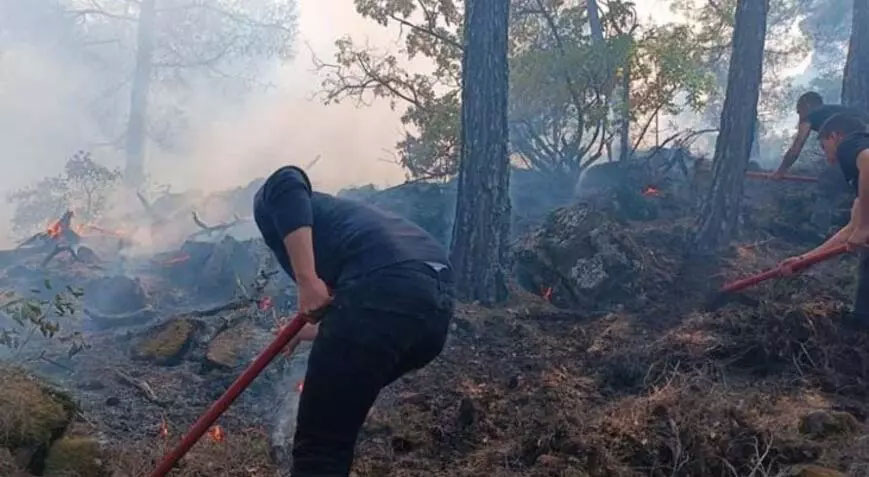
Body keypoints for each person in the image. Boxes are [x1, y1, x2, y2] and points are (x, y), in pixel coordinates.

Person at [253, 166, 454, 476]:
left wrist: (306, 281)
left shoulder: (273, 202)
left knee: (321, 447)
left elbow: (286, 179)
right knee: (336, 418)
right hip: (433, 306)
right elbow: (372, 309)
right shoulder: (347, 226)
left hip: (385, 289)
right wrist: (313, 330)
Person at [779, 113, 869, 330]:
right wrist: (805, 259)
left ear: (835, 136)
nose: (829, 158)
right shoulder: (860, 185)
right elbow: (850, 231)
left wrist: (864, 228)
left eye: (824, 147)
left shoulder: (851, 143)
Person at [773, 91, 869, 178]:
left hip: (859, 144)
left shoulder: (811, 115)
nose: (800, 117)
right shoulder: (834, 111)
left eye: (799, 112)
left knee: (831, 179)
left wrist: (780, 171)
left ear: (806, 106)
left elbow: (797, 145)